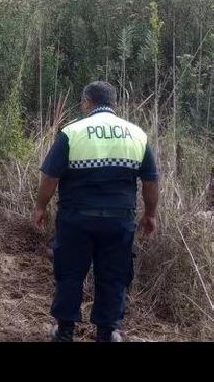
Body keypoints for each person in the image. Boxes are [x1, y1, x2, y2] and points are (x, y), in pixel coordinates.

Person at [33, 81, 159, 342]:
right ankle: (108, 331)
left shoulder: (72, 132)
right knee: (114, 275)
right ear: (113, 104)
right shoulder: (137, 134)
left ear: (87, 102)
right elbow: (150, 181)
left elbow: (50, 176)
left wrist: (41, 206)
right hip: (118, 220)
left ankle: (65, 330)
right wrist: (150, 213)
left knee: (69, 272)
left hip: (76, 219)